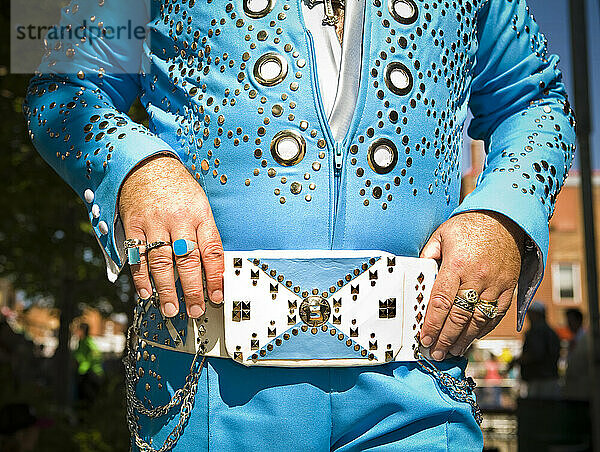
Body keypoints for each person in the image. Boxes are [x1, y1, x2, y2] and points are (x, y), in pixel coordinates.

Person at [23, 0, 575, 449]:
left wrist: (503, 214)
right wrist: (139, 170)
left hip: (422, 390)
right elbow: (62, 80)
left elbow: (537, 100)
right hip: (207, 396)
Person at [517, 301, 561, 399]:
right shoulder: (551, 332)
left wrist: (517, 361)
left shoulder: (537, 331)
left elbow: (535, 354)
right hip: (549, 378)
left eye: (530, 314)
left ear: (537, 314)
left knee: (539, 410)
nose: (528, 317)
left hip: (540, 380)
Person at [563, 308, 590, 400]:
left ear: (578, 321)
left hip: (583, 389)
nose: (568, 325)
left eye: (570, 322)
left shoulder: (585, 340)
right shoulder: (574, 340)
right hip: (575, 389)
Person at [73, 323, 104, 404]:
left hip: (87, 373)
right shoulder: (83, 342)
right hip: (85, 372)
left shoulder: (87, 342)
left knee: (86, 397)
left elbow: (95, 355)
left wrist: (86, 367)